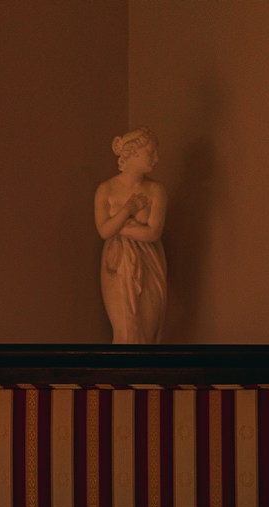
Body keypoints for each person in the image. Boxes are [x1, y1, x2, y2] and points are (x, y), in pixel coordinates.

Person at [95, 127, 167, 344]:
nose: (156, 158)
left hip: (149, 263)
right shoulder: (106, 189)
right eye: (151, 153)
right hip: (117, 264)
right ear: (133, 154)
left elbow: (153, 233)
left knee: (148, 328)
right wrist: (127, 211)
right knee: (125, 328)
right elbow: (103, 231)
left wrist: (119, 226)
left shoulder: (157, 191)